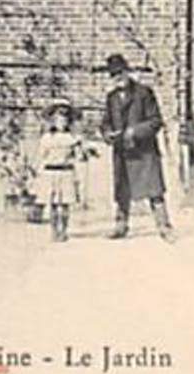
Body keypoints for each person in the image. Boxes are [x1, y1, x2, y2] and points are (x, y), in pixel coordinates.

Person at [101, 53, 175, 242]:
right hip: (122, 151)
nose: (118, 77)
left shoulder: (144, 93)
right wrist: (107, 134)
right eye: (113, 75)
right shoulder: (111, 98)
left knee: (154, 190)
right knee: (122, 190)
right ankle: (121, 225)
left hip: (144, 151)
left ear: (128, 71)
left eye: (120, 73)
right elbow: (105, 122)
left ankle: (164, 226)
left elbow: (156, 121)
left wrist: (135, 131)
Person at [36, 102, 86, 242]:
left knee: (64, 204)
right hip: (51, 172)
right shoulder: (47, 138)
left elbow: (79, 156)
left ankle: (63, 230)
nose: (61, 122)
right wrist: (38, 173)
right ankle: (53, 230)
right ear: (53, 121)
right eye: (58, 119)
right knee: (52, 204)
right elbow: (41, 156)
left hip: (66, 172)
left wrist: (82, 150)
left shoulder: (72, 138)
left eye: (64, 120)